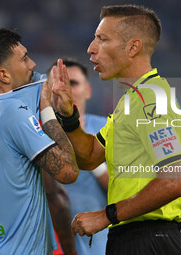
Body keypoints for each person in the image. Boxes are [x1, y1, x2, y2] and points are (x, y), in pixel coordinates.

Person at [50, 5, 181, 255]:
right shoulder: (130, 101)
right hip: (132, 237)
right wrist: (69, 116)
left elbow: (173, 182)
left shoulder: (152, 99)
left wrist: (105, 215)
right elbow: (90, 157)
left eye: (102, 39)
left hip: (148, 239)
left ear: (133, 47)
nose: (91, 48)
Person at [0, 28, 78, 254]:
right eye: (24, 59)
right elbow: (68, 171)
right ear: (3, 75)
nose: (32, 64)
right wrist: (47, 111)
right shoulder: (11, 111)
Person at [48, 58, 109, 255]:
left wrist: (91, 159)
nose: (64, 90)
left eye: (73, 83)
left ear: (88, 90)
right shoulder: (34, 136)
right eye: (57, 83)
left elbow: (131, 190)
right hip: (50, 245)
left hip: (99, 244)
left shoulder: (108, 129)